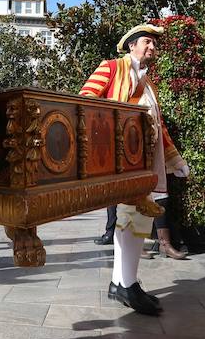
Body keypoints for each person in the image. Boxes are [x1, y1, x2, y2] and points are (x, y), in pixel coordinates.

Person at [79, 24, 191, 316]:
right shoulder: (112, 68)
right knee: (134, 215)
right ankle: (128, 284)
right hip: (119, 157)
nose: (152, 47)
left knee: (135, 217)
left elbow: (160, 126)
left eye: (154, 43)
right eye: (146, 42)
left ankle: (120, 282)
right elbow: (85, 103)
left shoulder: (150, 85)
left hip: (146, 159)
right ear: (131, 46)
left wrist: (175, 159)